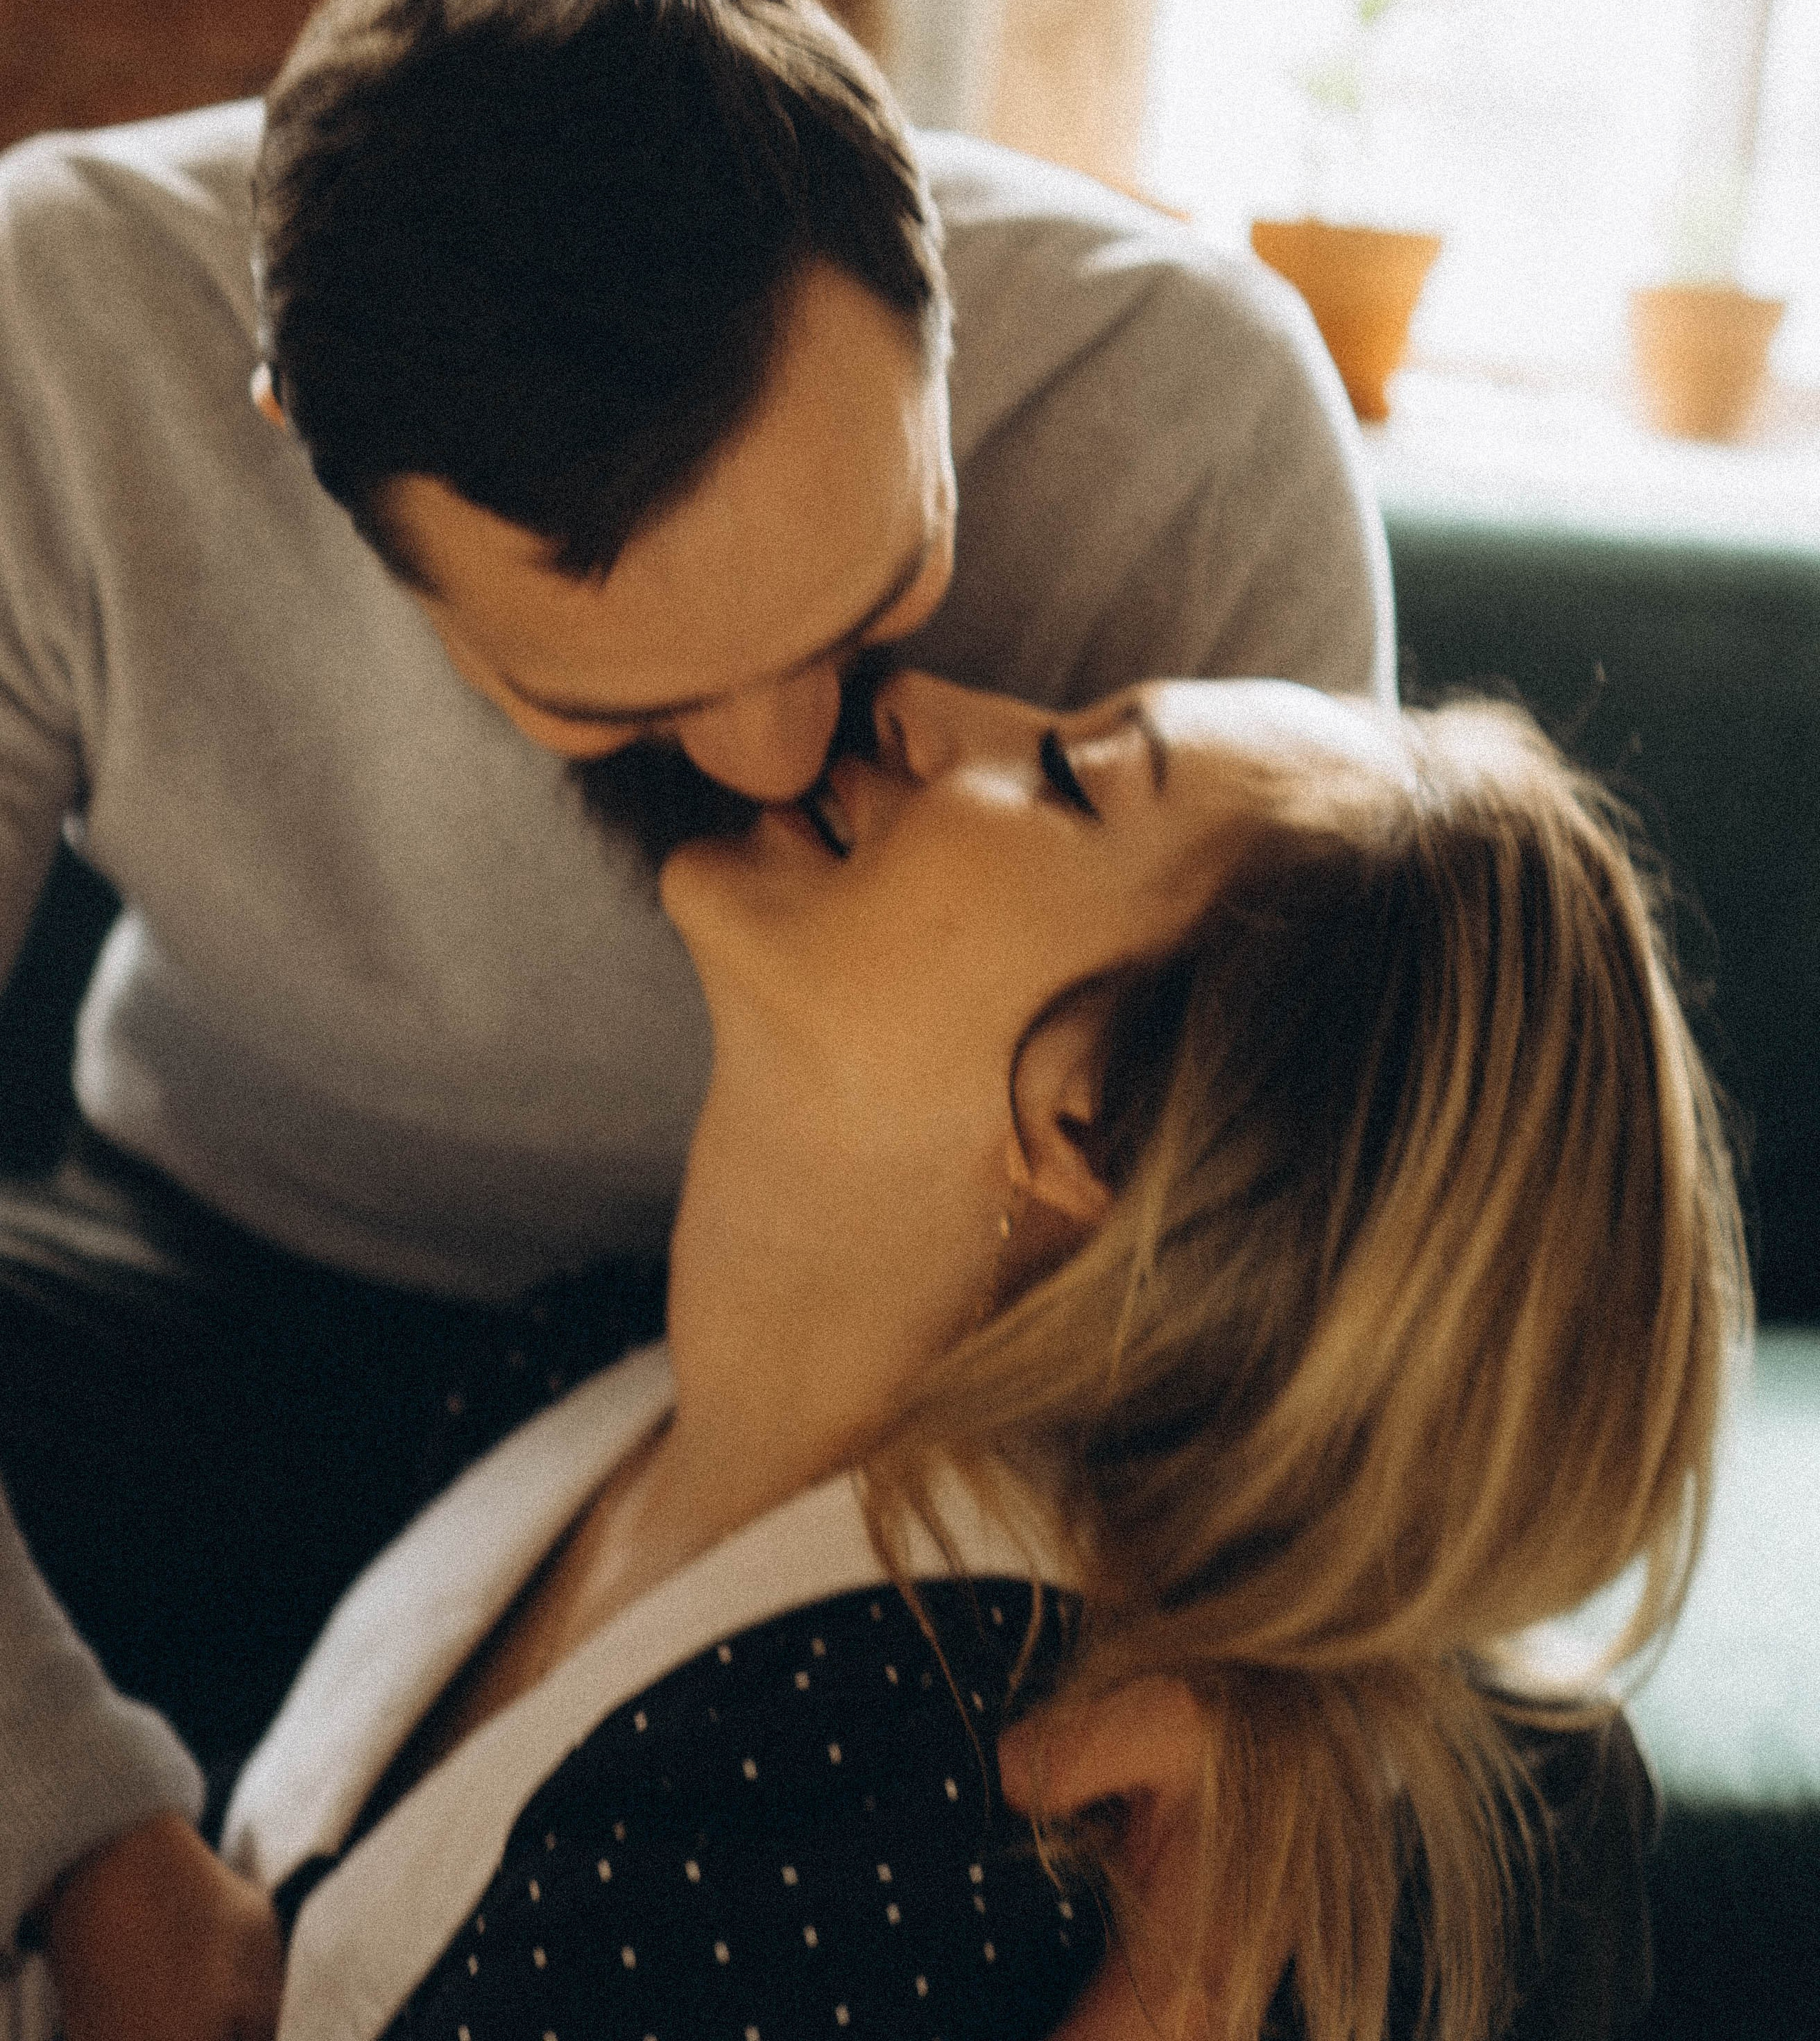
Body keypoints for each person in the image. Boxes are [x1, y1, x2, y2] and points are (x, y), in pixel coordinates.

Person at [0, 0, 1392, 2034]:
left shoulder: (1193, 415)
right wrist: (78, 1833)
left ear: (932, 257)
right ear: (311, 452)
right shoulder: (54, 338)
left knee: (1497, 1795)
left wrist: (1278, 1747)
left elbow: (1362, 1241)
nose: (799, 753)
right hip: (203, 1291)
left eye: (884, 596)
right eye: (618, 700)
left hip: (890, 1409)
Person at [174, 669, 1743, 2041]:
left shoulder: (909, 1799)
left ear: (1089, 1123)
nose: (916, 700)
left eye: (1067, 775)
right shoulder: (577, 1361)